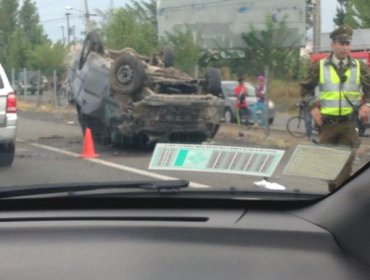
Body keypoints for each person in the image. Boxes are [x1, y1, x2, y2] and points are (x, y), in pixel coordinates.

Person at [300, 25, 370, 191]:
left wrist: (367, 104)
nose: (345, 47)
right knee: (329, 166)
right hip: (327, 124)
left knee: (345, 161)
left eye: (348, 43)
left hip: (349, 124)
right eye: (341, 43)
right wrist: (313, 108)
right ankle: (333, 195)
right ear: (333, 45)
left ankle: (340, 199)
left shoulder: (360, 67)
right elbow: (305, 89)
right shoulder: (320, 66)